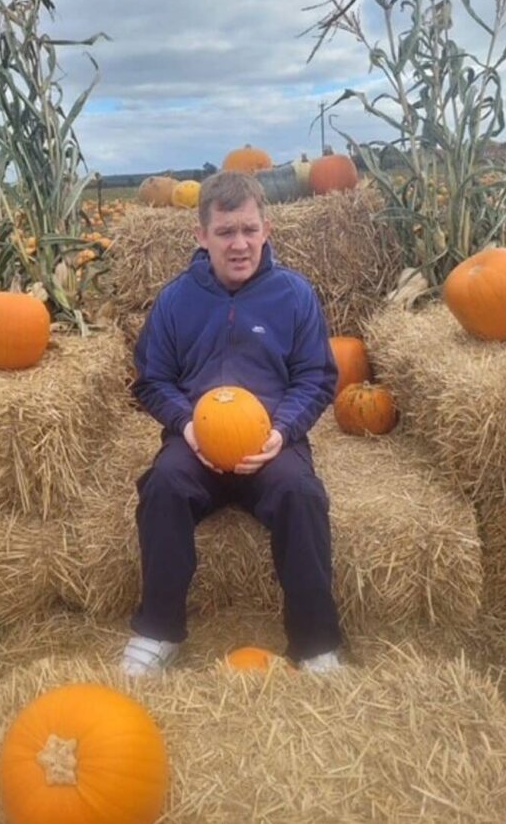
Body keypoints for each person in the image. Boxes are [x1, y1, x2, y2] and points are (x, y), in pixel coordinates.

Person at [121, 171, 343, 676]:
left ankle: (315, 642)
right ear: (201, 236)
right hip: (196, 443)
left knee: (302, 494)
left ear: (266, 229)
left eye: (248, 230)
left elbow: (315, 377)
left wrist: (282, 431)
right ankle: (158, 629)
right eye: (225, 232)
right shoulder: (176, 299)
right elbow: (152, 379)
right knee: (163, 486)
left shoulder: (295, 295)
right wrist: (186, 425)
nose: (239, 244)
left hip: (271, 442)